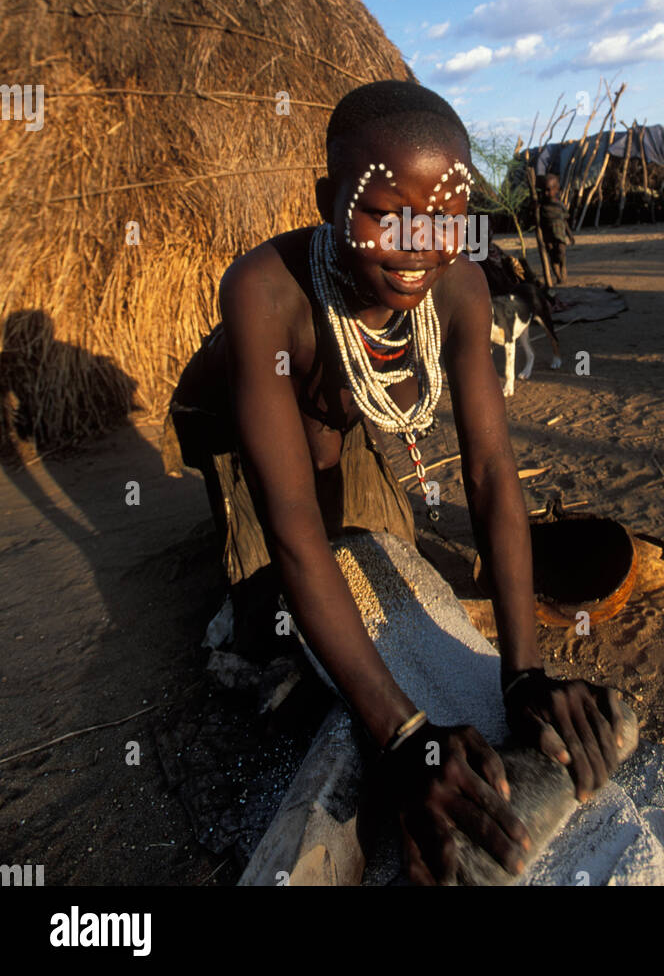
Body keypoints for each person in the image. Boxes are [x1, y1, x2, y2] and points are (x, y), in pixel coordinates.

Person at [163, 80, 627, 886]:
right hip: (235, 427)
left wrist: (520, 674)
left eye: (445, 214)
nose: (419, 242)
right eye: (384, 212)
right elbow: (297, 534)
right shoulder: (262, 294)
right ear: (325, 200)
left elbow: (487, 470)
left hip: (338, 415)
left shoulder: (459, 287)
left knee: (378, 555)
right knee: (273, 612)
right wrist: (405, 739)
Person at [539, 173, 574, 285]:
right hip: (548, 236)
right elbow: (536, 221)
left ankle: (563, 266)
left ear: (556, 189)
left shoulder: (559, 206)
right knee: (552, 256)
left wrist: (570, 235)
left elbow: (565, 221)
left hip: (560, 234)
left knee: (561, 251)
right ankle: (558, 276)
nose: (546, 193)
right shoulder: (541, 207)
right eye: (544, 190)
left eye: (549, 190)